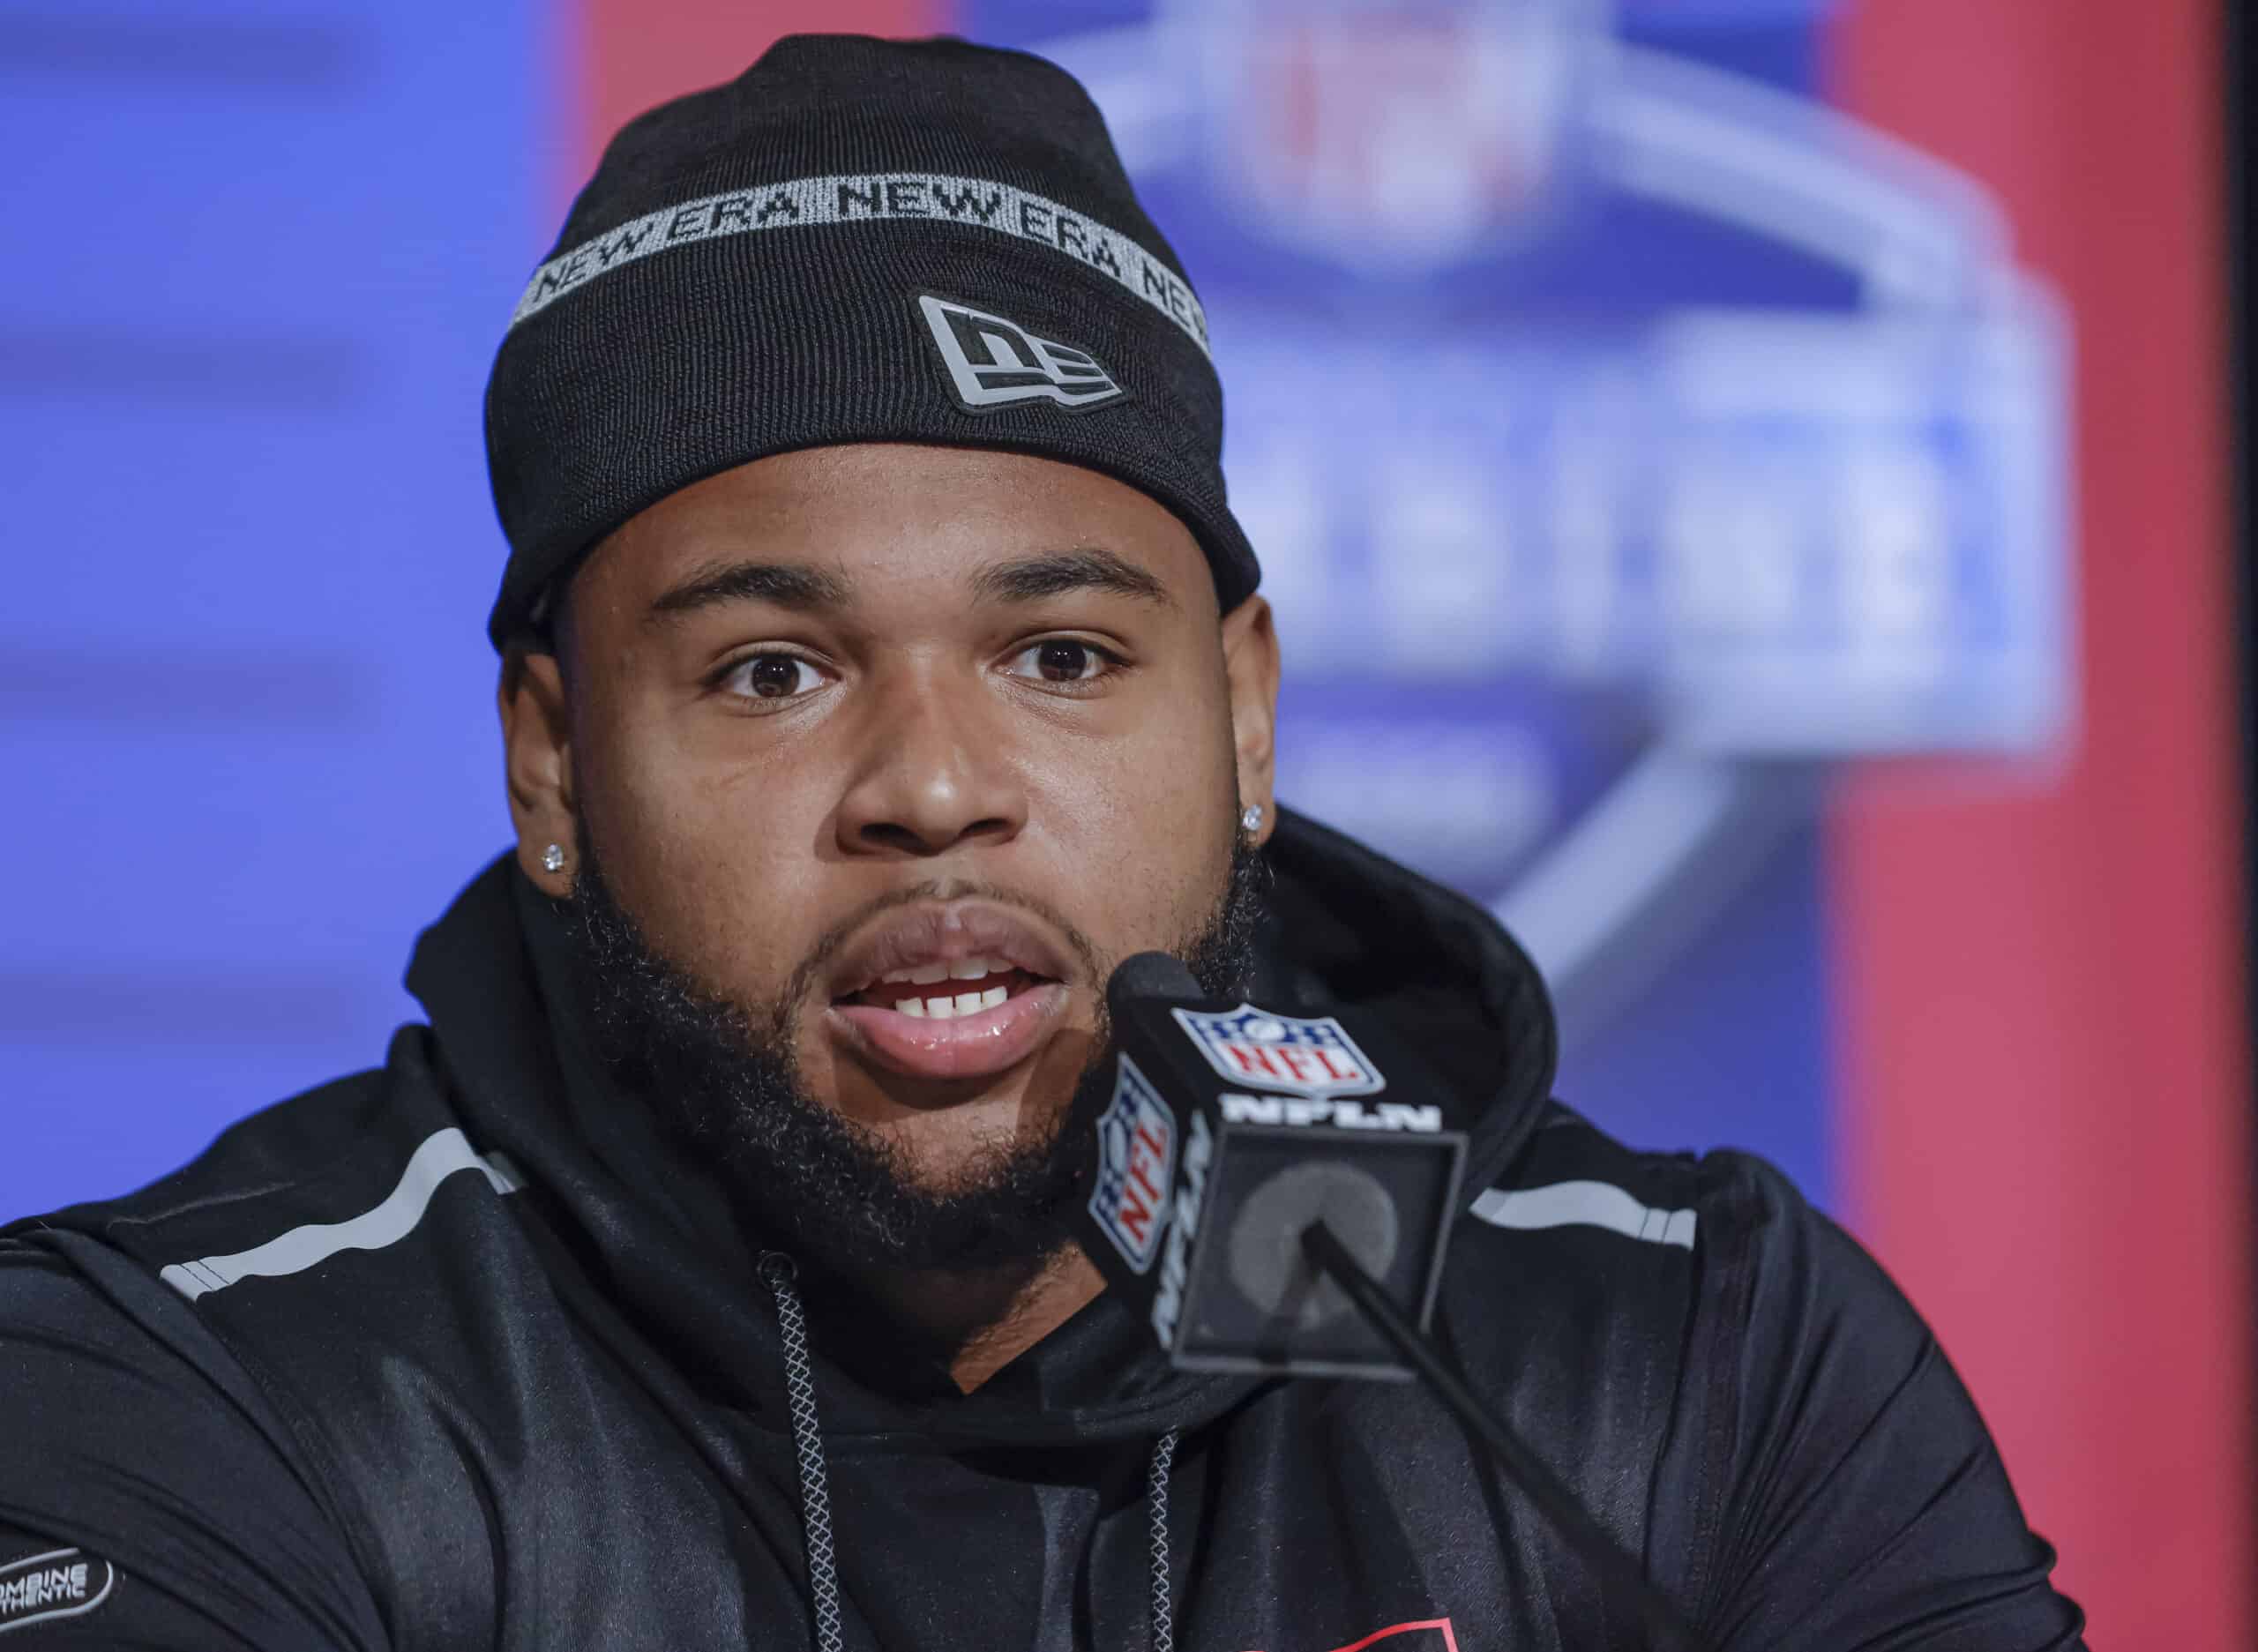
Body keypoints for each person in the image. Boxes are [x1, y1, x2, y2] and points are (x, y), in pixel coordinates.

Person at [0, 34, 2084, 1650]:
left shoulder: (1682, 1356)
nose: (931, 782)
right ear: (551, 765)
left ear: (1244, 714)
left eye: (1064, 653)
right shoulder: (196, 1390)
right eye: (768, 674)